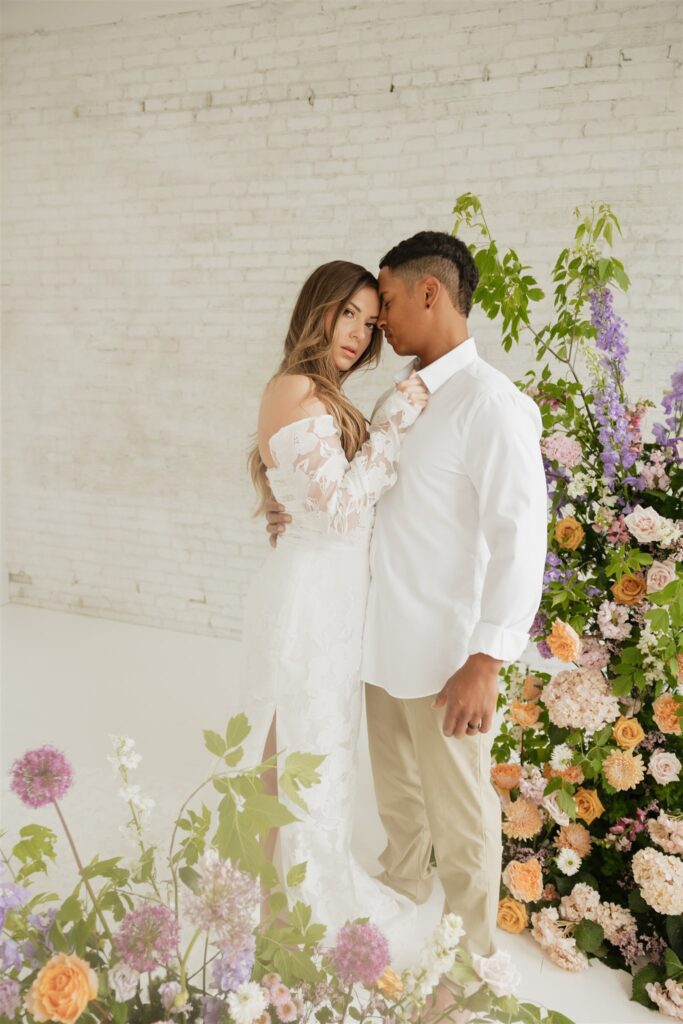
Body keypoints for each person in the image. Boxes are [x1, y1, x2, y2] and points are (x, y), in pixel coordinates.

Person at [266, 232, 548, 985]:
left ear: (430, 294)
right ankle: (400, 900)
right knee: (400, 808)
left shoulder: (491, 404)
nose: (378, 323)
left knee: (460, 817)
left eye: (384, 302)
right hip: (378, 644)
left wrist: (485, 659)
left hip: (445, 656)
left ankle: (471, 962)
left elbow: (520, 538)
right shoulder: (405, 396)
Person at [243, 259, 431, 968]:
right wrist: (392, 424)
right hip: (308, 600)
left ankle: (275, 896)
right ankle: (273, 907)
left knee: (309, 749)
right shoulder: (295, 388)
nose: (356, 332)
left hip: (331, 593)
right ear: (314, 310)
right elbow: (343, 505)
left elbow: (317, 498)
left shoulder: (318, 394)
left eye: (367, 319)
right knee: (293, 746)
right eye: (344, 313)